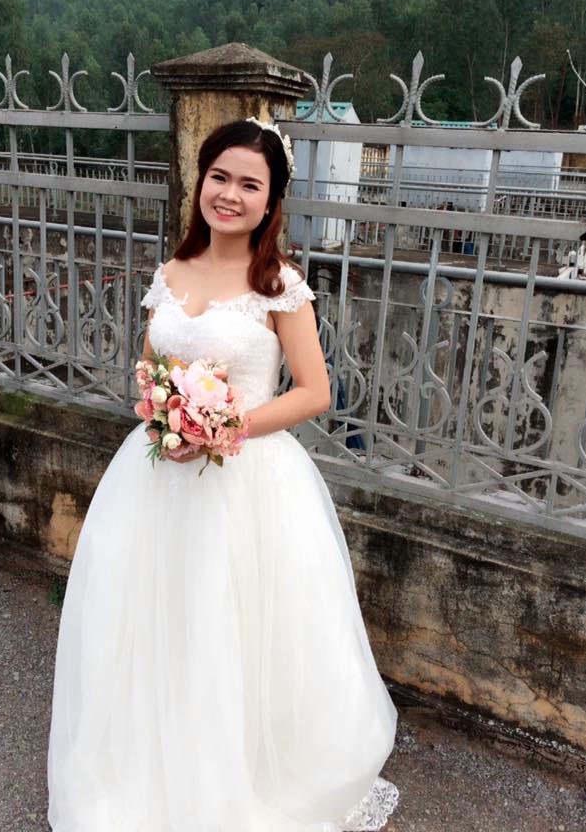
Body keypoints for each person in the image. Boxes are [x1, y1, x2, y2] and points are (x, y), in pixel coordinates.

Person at [46, 117, 400, 832]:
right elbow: (150, 366)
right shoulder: (171, 273)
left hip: (248, 483)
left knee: (234, 629)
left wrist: (222, 427)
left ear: (271, 201)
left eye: (249, 184)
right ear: (200, 181)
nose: (230, 195)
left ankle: (241, 778)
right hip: (158, 477)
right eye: (219, 177)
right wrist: (165, 411)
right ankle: (152, 765)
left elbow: (314, 392)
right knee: (156, 622)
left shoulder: (280, 286)